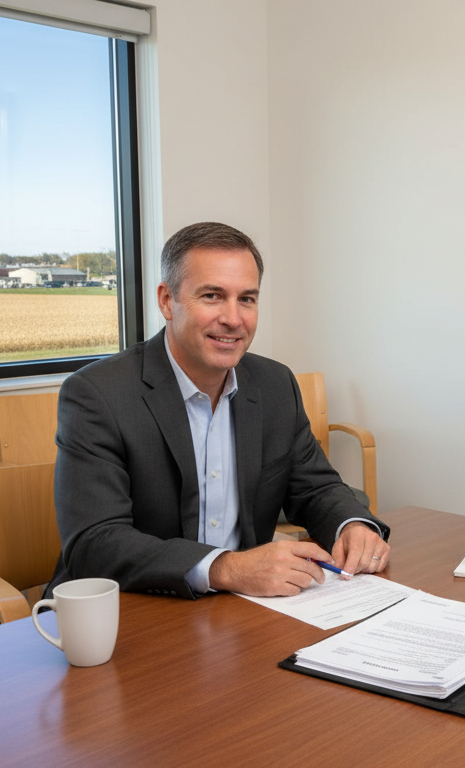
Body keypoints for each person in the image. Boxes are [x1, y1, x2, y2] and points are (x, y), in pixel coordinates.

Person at [49, 222, 390, 598]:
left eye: (247, 299)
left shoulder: (275, 384)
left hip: (241, 607)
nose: (233, 318)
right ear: (166, 300)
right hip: (134, 608)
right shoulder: (97, 394)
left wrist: (351, 526)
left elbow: (316, 487)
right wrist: (226, 567)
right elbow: (95, 543)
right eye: (212, 296)